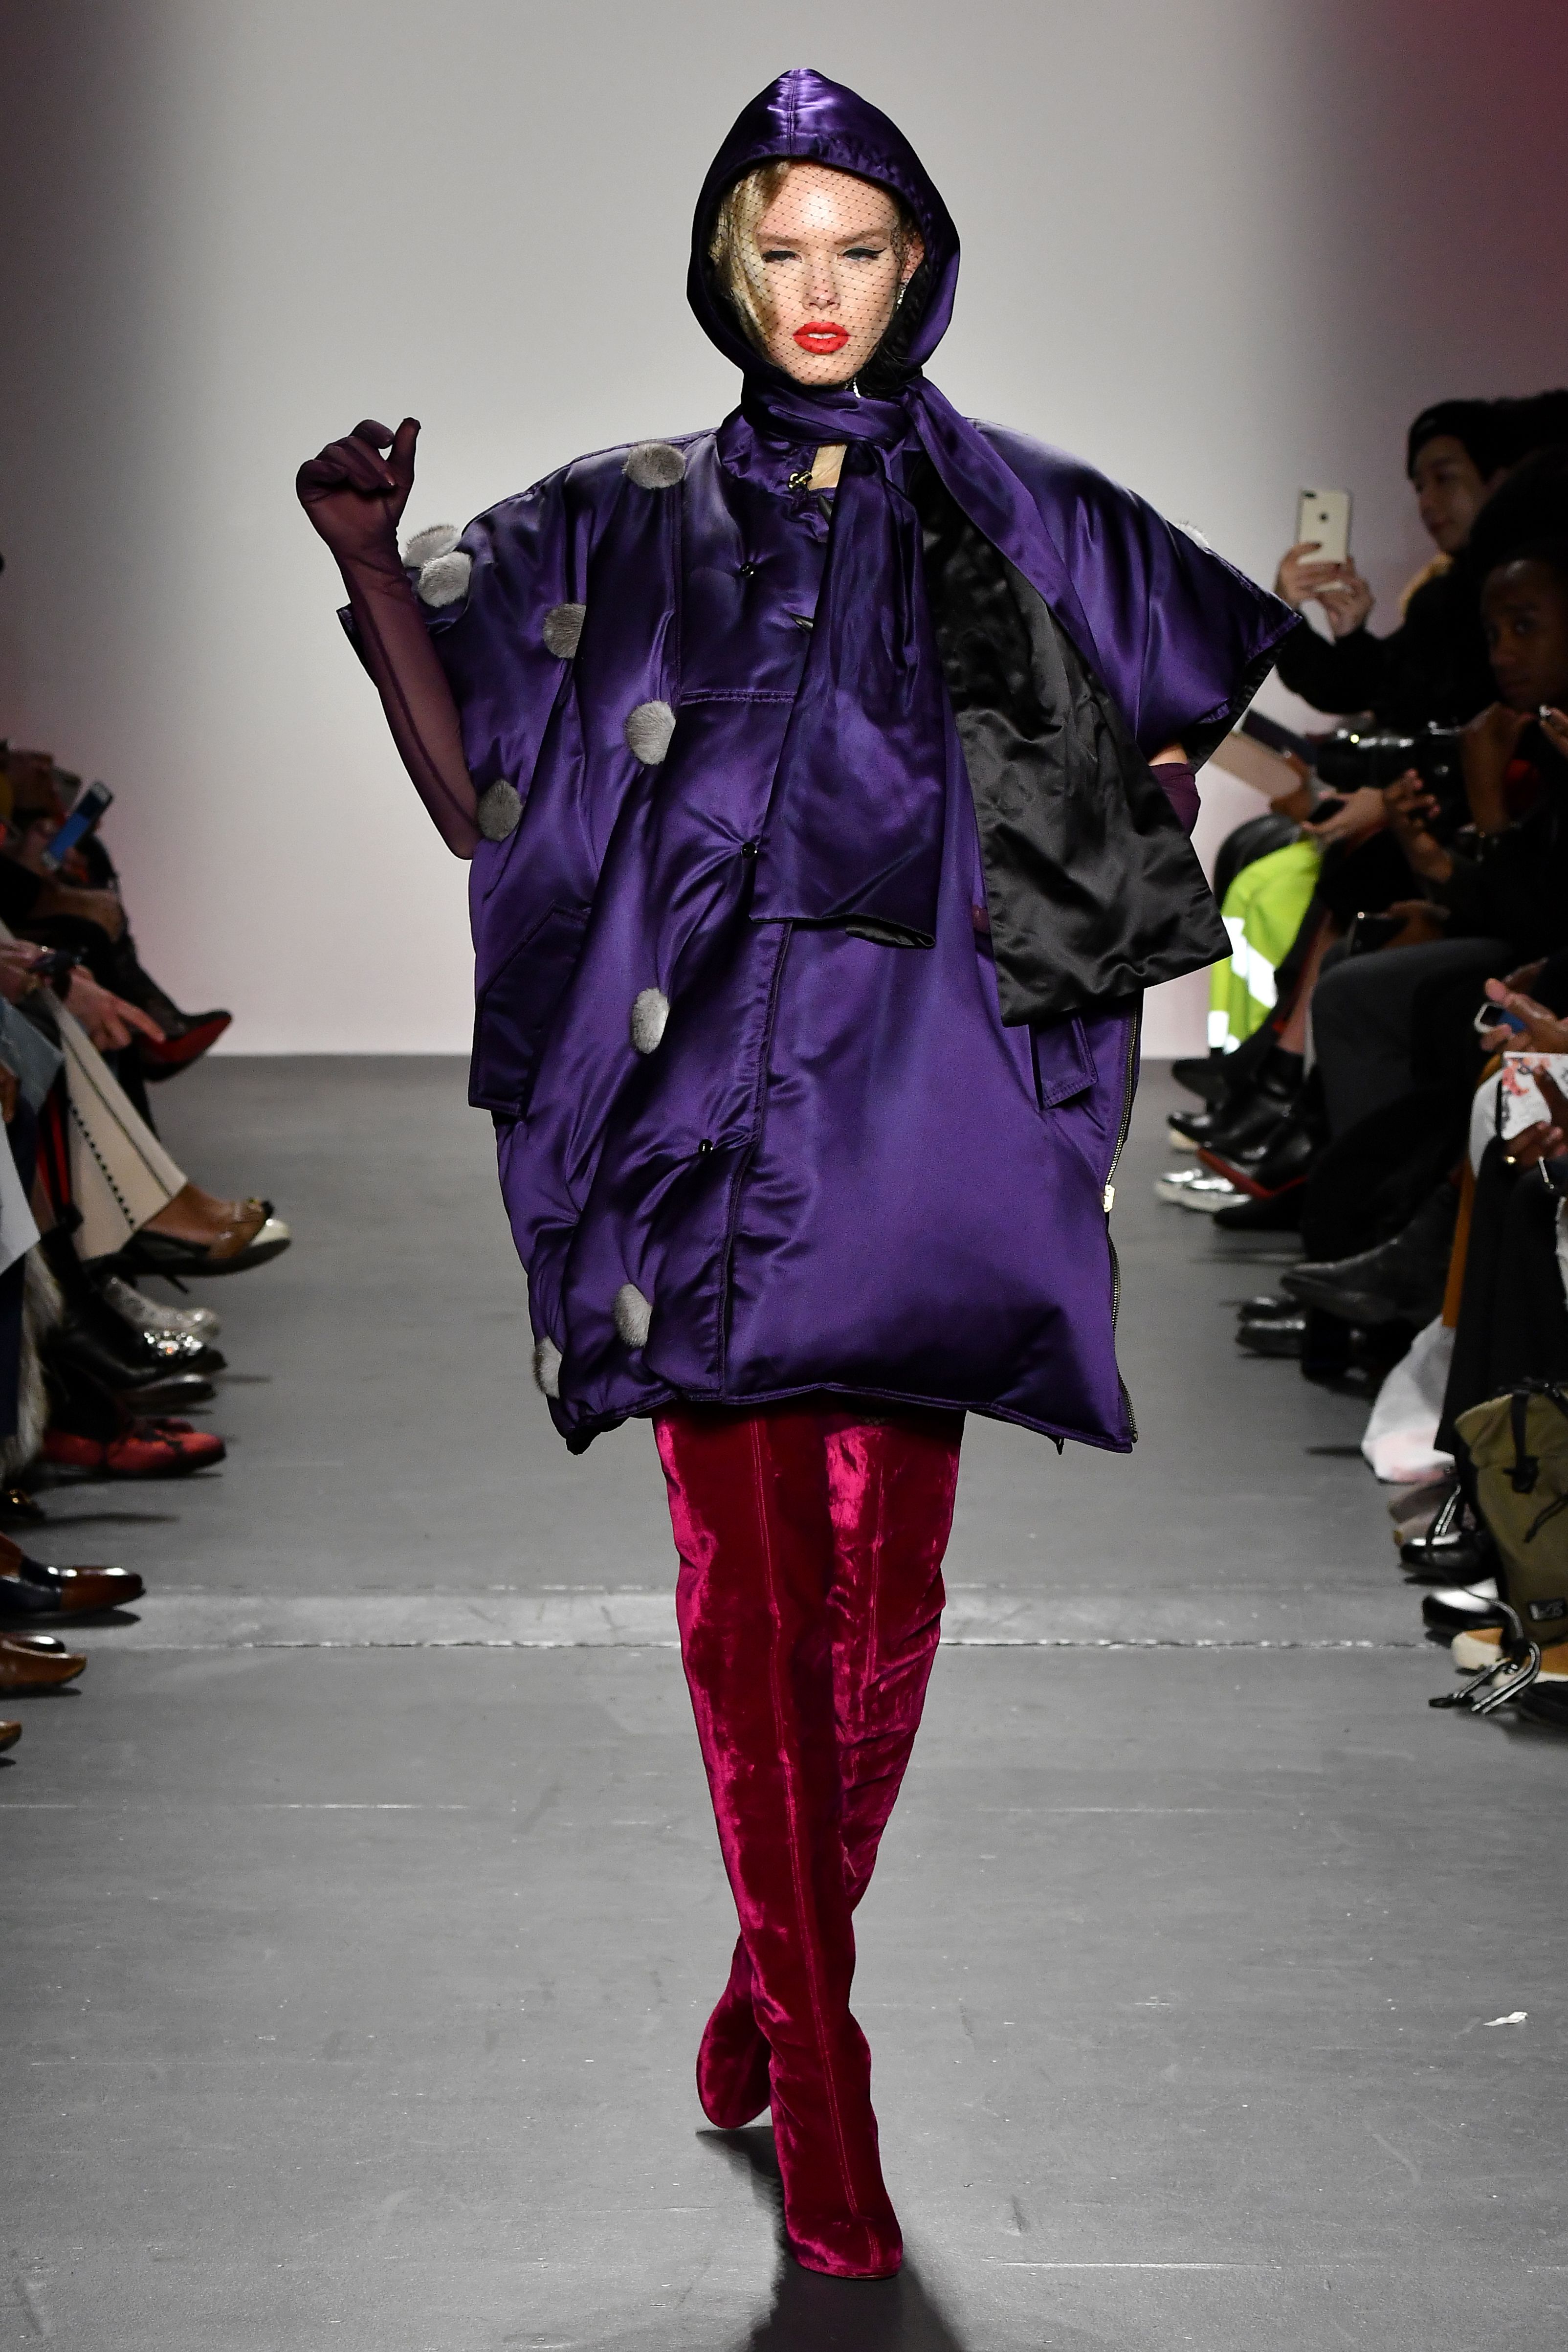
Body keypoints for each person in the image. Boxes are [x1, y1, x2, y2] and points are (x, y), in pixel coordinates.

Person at [297, 68, 1291, 2280]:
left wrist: (1122, 806)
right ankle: (830, 2104)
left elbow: (1186, 738)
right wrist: (369, 563)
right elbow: (475, 800)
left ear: (915, 262)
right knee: (752, 1614)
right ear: (724, 268)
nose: (818, 289)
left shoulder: (1038, 515)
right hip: (690, 1118)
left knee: (884, 1619)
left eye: (857, 248)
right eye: (781, 251)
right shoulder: (613, 522)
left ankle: (764, 1997)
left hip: (927, 1120)